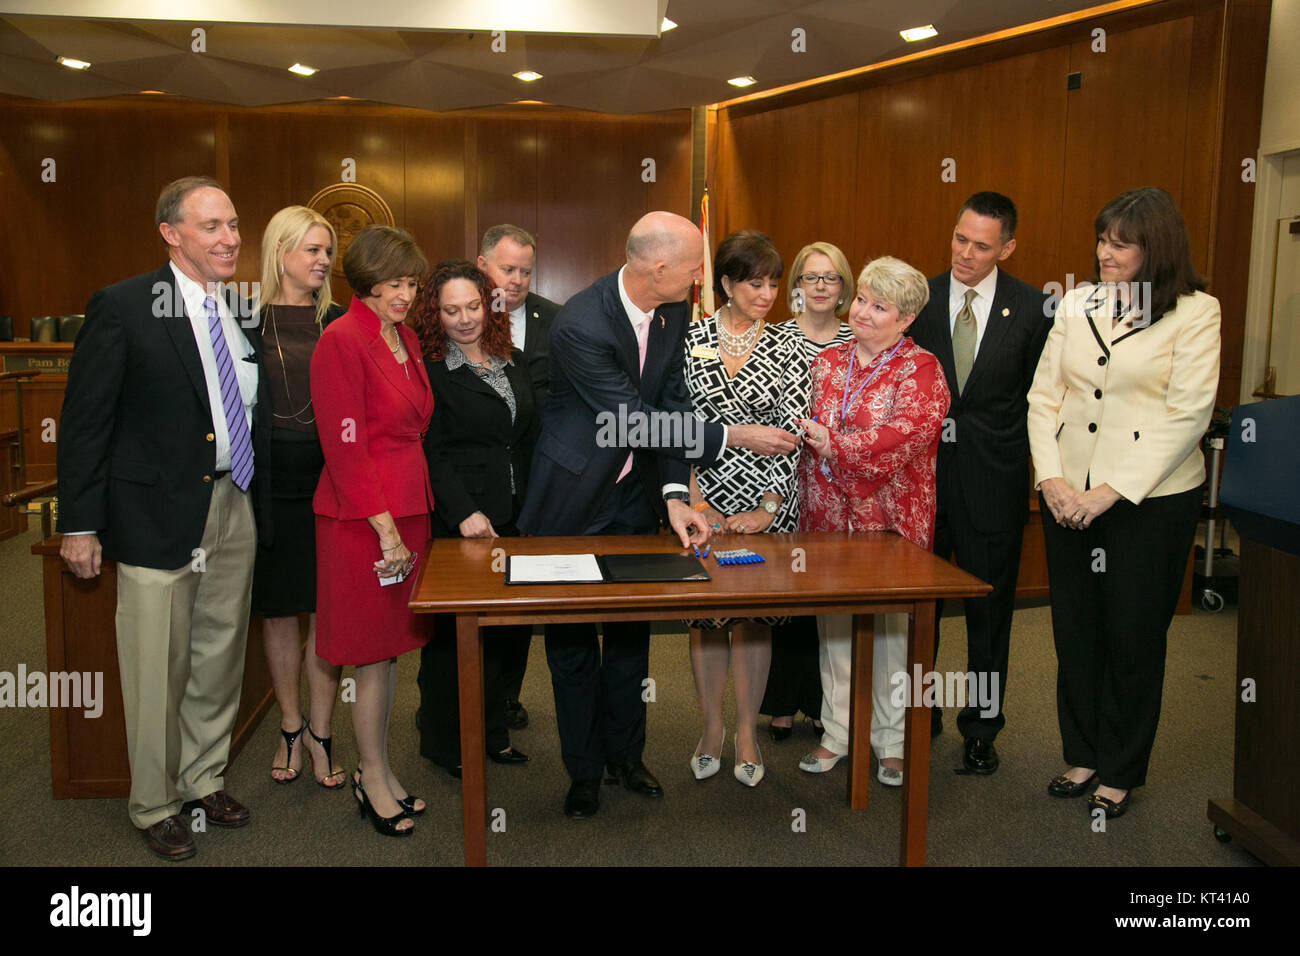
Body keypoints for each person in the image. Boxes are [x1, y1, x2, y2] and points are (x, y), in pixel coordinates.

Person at [516, 210, 800, 818]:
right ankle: (584, 771)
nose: (704, 276)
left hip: (633, 495)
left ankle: (627, 756)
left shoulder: (672, 311)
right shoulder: (581, 324)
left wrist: (674, 494)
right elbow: (633, 420)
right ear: (660, 267)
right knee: (572, 645)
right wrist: (735, 437)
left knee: (629, 635)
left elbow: (670, 398)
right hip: (574, 498)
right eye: (697, 266)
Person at [57, 176, 270, 860]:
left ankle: (203, 778)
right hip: (154, 514)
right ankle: (153, 803)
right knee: (156, 666)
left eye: (234, 224)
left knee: (218, 654)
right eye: (211, 226)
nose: (230, 238)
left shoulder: (240, 308)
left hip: (233, 504)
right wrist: (80, 523)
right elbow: (86, 424)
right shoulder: (123, 307)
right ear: (170, 234)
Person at [1027, 186, 1219, 818]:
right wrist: (1051, 480)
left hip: (1148, 502)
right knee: (1075, 630)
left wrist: (1108, 493)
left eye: (1121, 243)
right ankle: (1082, 752)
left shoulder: (1196, 313)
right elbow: (1043, 398)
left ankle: (1121, 768)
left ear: (1155, 250)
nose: (1104, 252)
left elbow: (1186, 416)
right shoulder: (1076, 303)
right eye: (1102, 239)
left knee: (1132, 636)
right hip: (1067, 498)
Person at [908, 192, 1053, 773]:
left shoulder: (1035, 308)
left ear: (1008, 248)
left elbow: (1044, 400)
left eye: (982, 245)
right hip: (922, 482)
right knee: (921, 609)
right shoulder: (920, 299)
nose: (965, 253)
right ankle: (921, 714)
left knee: (989, 617)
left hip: (994, 483)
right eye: (959, 239)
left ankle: (982, 728)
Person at [797, 256, 950, 786]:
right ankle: (837, 732)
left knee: (892, 634)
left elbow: (903, 437)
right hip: (826, 516)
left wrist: (834, 444)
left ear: (905, 319)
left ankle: (891, 740)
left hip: (889, 522)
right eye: (861, 298)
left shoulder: (921, 369)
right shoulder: (828, 362)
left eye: (878, 306)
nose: (861, 311)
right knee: (834, 627)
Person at [310, 225, 433, 838]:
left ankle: (377, 770)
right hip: (363, 518)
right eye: (392, 283)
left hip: (410, 507)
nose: (405, 293)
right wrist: (384, 529)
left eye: (411, 282)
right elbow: (345, 446)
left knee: (387, 655)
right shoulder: (341, 339)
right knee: (365, 653)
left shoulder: (405, 336)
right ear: (363, 282)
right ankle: (372, 774)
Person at [684, 230, 807, 788]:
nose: (767, 292)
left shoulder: (790, 345)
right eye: (754, 282)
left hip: (764, 506)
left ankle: (748, 732)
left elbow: (791, 437)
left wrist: (769, 509)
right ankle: (711, 729)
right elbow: (677, 427)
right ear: (726, 283)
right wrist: (693, 499)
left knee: (755, 620)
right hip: (699, 504)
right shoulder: (690, 339)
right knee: (707, 621)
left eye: (774, 282)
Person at [411, 260, 538, 776]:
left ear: (490, 305)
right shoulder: (430, 370)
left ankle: (493, 733)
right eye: (450, 309)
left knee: (505, 635)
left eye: (473, 306)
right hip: (463, 520)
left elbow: (526, 436)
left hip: (515, 517)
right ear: (433, 314)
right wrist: (463, 511)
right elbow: (430, 451)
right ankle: (443, 742)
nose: (464, 319)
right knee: (452, 642)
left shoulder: (514, 359)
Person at [251, 206, 347, 789]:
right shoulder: (243, 321)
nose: (323, 260)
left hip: (331, 483)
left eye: (328, 252)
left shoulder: (339, 320)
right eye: (311, 249)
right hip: (265, 488)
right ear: (279, 251)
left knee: (327, 610)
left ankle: (321, 729)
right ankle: (289, 725)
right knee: (281, 607)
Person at [763, 241, 856, 742]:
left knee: (826, 591)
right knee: (787, 588)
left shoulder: (858, 340)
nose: (820, 287)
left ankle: (826, 704)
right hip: (781, 478)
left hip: (834, 483)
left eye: (831, 278)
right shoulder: (774, 339)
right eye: (810, 277)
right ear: (796, 286)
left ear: (844, 288)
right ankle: (782, 702)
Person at [475, 224, 561, 730]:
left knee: (519, 596)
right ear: (482, 264)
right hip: (476, 486)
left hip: (534, 484)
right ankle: (451, 702)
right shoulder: (453, 315)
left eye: (526, 270)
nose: (518, 280)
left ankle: (506, 695)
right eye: (508, 269)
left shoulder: (553, 319)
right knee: (470, 593)